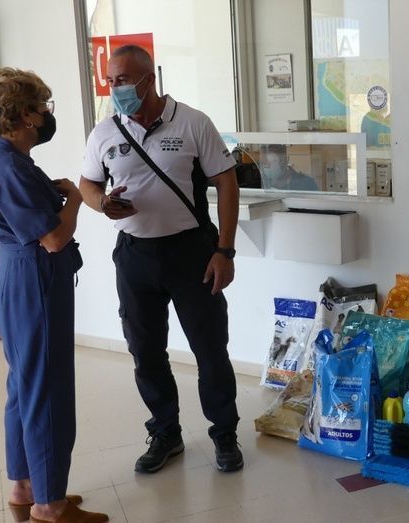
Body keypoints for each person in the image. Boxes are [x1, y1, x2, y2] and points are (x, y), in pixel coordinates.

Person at [78, 45, 244, 474]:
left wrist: (224, 251)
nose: (115, 88)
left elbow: (227, 182)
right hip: (135, 255)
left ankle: (224, 433)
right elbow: (87, 184)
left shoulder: (192, 122)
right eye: (110, 81)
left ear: (148, 80)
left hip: (192, 253)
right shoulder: (104, 133)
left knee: (210, 349)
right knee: (145, 351)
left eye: (122, 80)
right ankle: (166, 432)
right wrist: (101, 203)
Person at [0, 68, 107, 523]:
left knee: (24, 386)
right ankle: (49, 504)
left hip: (15, 277)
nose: (47, 114)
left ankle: (25, 485)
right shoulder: (10, 166)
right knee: (47, 391)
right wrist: (74, 200)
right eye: (42, 106)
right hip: (34, 282)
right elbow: (53, 239)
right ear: (25, 114)